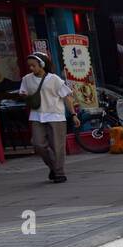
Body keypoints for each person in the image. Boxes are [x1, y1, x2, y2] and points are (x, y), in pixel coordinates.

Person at [16, 52, 78, 183]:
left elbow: (66, 97)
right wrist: (24, 95)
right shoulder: (26, 79)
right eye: (29, 66)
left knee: (57, 146)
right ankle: (53, 167)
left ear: (42, 64)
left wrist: (73, 114)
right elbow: (23, 93)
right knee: (38, 144)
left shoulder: (54, 79)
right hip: (37, 116)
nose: (31, 68)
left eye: (33, 65)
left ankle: (59, 173)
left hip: (56, 115)